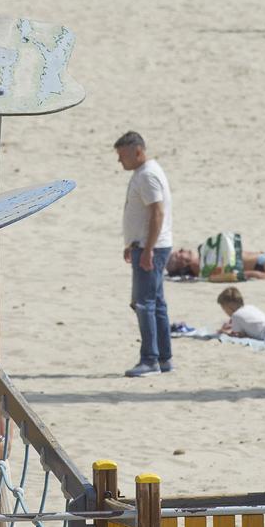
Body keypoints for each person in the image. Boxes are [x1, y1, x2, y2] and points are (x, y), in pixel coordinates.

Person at [115, 131, 173, 377]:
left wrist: (147, 249)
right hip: (147, 245)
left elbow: (156, 213)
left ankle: (150, 360)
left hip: (152, 247)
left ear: (138, 151)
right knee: (156, 304)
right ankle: (164, 357)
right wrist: (133, 243)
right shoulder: (144, 173)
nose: (120, 161)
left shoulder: (148, 174)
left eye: (123, 155)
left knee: (144, 304)